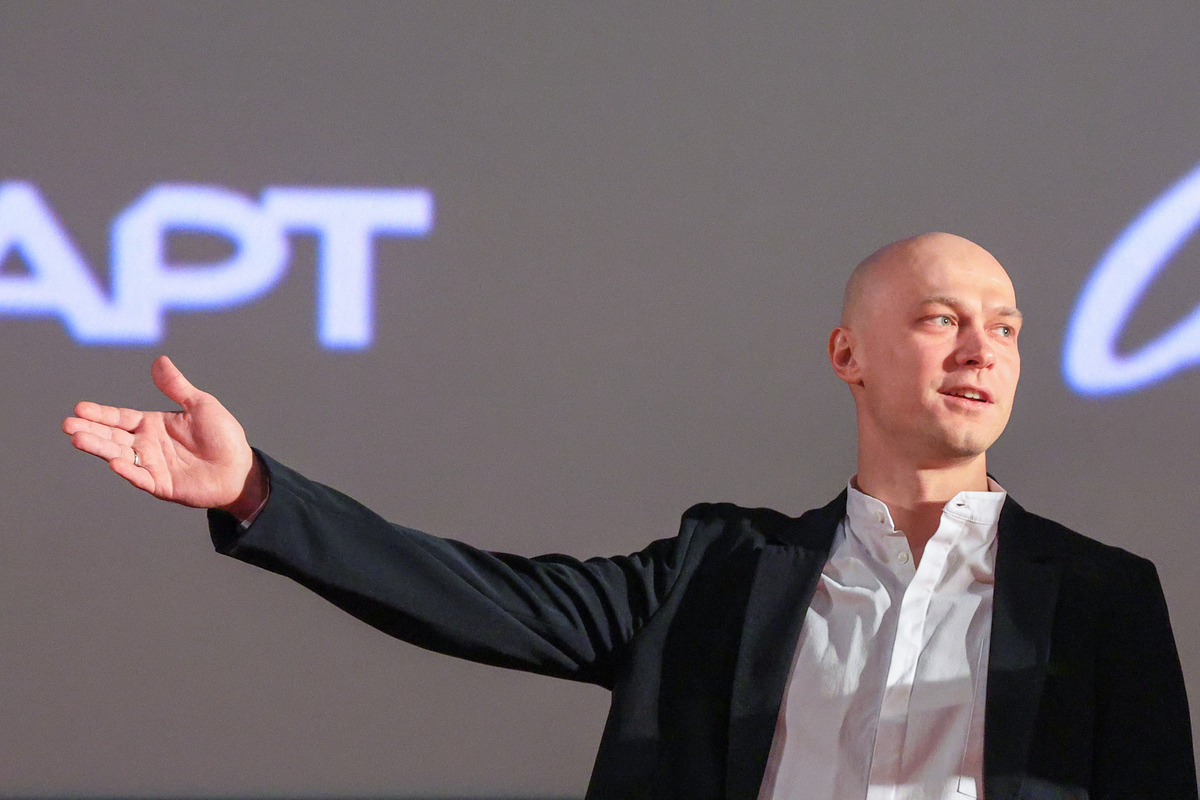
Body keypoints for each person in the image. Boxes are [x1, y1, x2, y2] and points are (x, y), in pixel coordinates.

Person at [64, 233, 1197, 800]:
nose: (981, 349)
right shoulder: (719, 573)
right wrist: (256, 489)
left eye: (1005, 327)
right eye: (942, 318)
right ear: (848, 354)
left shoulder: (1099, 597)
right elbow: (476, 596)